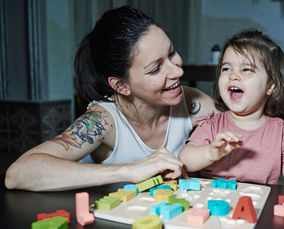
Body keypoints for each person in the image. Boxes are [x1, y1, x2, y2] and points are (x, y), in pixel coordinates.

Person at [5, 6, 216, 191]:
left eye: (171, 53)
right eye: (156, 68)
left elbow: (242, 129)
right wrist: (128, 171)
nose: (177, 72)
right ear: (121, 85)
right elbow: (18, 174)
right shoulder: (103, 121)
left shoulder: (191, 101)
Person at [179, 30, 284, 199]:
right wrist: (209, 153)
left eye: (246, 69)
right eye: (226, 68)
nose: (234, 76)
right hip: (211, 202)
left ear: (270, 85)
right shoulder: (212, 124)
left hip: (258, 203)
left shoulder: (282, 132)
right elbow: (185, 159)